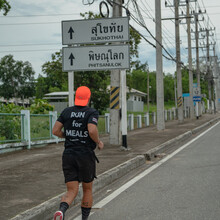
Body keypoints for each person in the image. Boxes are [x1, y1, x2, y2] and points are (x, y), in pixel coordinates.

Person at [52, 86, 104, 220]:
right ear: (88, 98)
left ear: (76, 97)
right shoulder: (91, 112)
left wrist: (68, 136)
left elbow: (55, 131)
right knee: (87, 189)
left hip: (68, 154)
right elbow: (92, 130)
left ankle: (62, 211)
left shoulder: (66, 111)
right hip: (85, 155)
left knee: (71, 190)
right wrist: (98, 141)